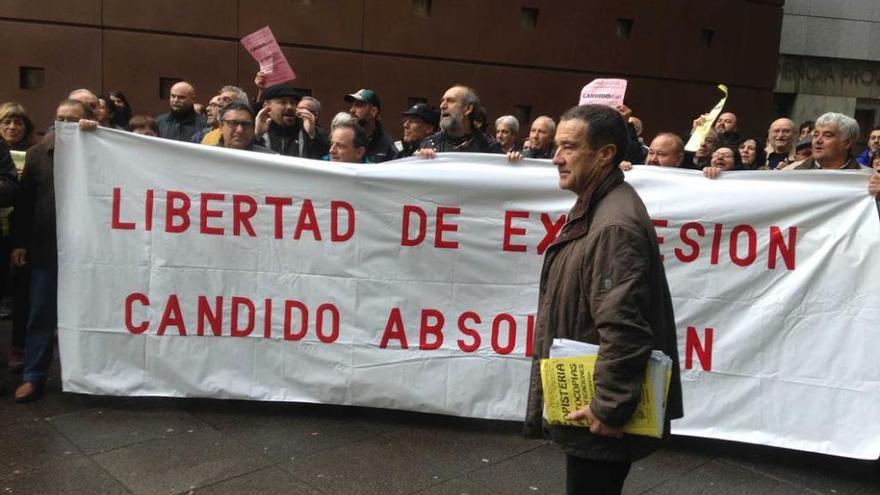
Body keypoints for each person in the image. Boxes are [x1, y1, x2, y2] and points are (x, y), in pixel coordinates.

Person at [524, 104, 682, 495]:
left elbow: (624, 327)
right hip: (590, 397)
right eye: (557, 147)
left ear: (606, 154)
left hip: (597, 408)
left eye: (569, 147)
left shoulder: (612, 225)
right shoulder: (602, 207)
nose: (556, 158)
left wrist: (608, 407)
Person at [11, 99, 94, 403]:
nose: (66, 125)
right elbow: (23, 205)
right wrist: (20, 242)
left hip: (92, 251)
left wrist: (98, 132)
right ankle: (34, 375)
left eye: (74, 120)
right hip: (47, 249)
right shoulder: (37, 154)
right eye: (61, 119)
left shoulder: (99, 149)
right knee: (41, 313)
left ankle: (97, 375)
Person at [417, 85, 502, 156]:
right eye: (442, 101)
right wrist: (421, 160)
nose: (442, 106)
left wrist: (512, 161)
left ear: (468, 108)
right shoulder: (429, 144)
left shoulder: (490, 148)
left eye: (450, 101)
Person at [254, 85, 328, 159]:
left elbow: (327, 154)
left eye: (293, 103)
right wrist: (256, 136)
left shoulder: (306, 130)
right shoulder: (258, 130)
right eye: (283, 102)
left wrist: (313, 135)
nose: (290, 107)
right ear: (266, 107)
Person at [782, 112, 862, 170]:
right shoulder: (794, 173)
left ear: (847, 143)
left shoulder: (867, 179)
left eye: (827, 135)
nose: (818, 140)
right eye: (815, 135)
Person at [345, 89, 397, 162]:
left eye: (358, 105)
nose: (352, 110)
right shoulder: (346, 140)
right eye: (352, 105)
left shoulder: (388, 146)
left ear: (373, 111)